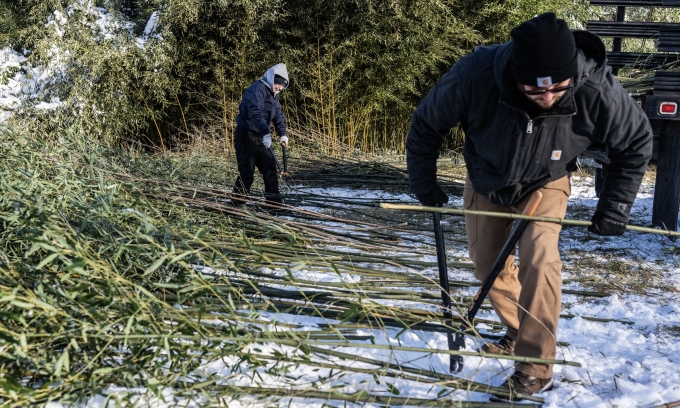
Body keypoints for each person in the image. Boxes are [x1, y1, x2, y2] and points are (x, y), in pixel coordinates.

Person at [405, 12, 652, 401]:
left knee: (540, 258)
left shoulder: (597, 88)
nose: (548, 97)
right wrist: (424, 184)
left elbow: (636, 142)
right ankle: (519, 330)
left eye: (557, 88)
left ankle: (536, 367)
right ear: (515, 75)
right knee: (487, 265)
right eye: (535, 91)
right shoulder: (476, 74)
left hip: (547, 180)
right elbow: (425, 125)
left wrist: (616, 206)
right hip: (487, 177)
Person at [232, 63, 289, 209]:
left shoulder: (273, 95)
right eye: (279, 84)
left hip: (262, 137)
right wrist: (265, 132)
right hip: (246, 135)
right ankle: (236, 205)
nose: (280, 88)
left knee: (270, 171)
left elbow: (278, 115)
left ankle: (274, 205)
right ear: (272, 79)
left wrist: (282, 133)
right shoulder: (256, 90)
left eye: (283, 86)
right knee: (247, 173)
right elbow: (255, 113)